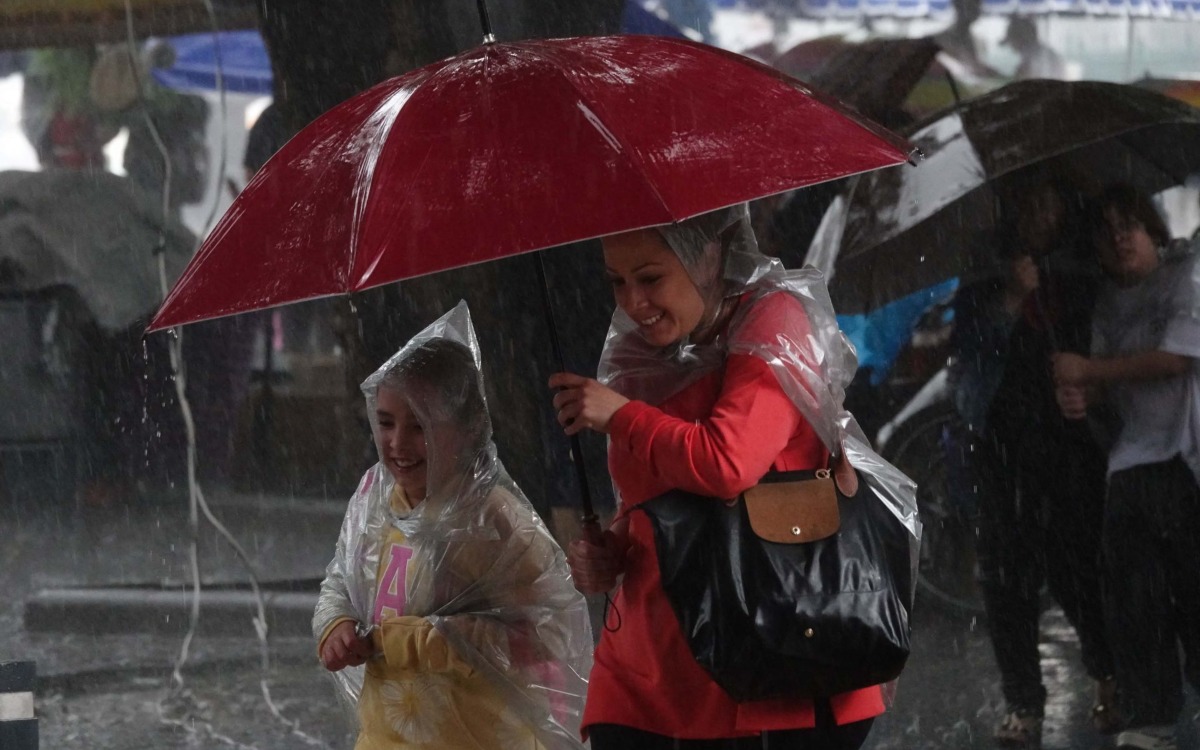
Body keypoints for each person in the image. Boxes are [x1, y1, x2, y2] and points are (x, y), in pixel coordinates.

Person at [548, 205, 919, 749]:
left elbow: (728, 464)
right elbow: (655, 500)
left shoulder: (775, 321)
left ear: (709, 255)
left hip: (768, 644)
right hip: (651, 656)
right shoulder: (641, 351)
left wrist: (620, 415)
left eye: (650, 279)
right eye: (617, 282)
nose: (632, 303)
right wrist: (608, 550)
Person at [313, 302, 593, 749]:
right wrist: (336, 625)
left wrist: (436, 640)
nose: (398, 443)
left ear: (467, 429)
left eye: (419, 425)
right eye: (385, 422)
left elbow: (550, 634)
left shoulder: (492, 519)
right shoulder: (375, 500)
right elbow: (341, 581)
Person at [947, 178, 1116, 748]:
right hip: (1002, 447)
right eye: (1030, 202)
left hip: (1072, 444)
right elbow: (968, 361)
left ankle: (1108, 671)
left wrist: (1090, 388)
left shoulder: (1087, 268)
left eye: (1051, 200)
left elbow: (1109, 347)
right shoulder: (982, 277)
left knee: (1079, 568)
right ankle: (1024, 702)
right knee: (1005, 579)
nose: (1041, 213)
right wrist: (1012, 300)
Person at [1053, 184, 1200, 750]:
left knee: (1194, 588)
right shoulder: (1108, 303)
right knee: (1135, 597)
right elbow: (1103, 392)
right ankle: (1151, 713)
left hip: (1187, 459)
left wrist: (1090, 372)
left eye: (1129, 226)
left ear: (1153, 231)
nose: (1120, 239)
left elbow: (1175, 359)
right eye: (1108, 231)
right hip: (1134, 464)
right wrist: (1080, 396)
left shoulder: (1187, 277)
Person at [1002, 17, 1068, 81]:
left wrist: (996, 75)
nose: (1011, 46)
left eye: (1011, 41)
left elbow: (1020, 80)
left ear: (1018, 38)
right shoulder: (1048, 53)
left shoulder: (1031, 57)